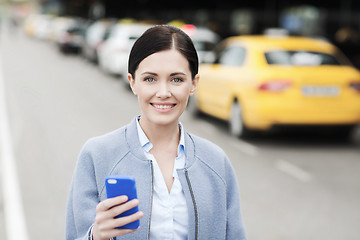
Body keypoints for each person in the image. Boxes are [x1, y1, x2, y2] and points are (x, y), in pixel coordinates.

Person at [66, 25, 247, 240]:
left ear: (193, 84)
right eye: (150, 79)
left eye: (176, 79)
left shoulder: (216, 161)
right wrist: (94, 236)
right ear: (133, 82)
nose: (163, 93)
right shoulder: (97, 155)